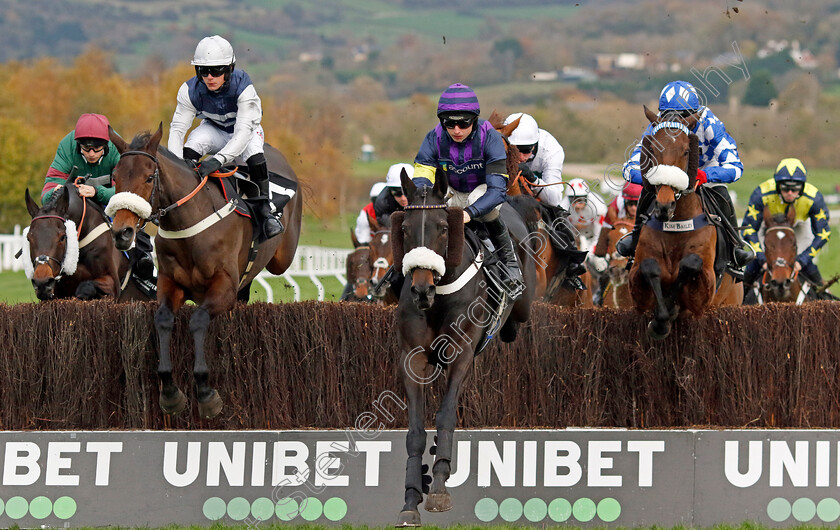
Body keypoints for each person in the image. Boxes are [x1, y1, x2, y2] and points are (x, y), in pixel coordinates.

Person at [617, 80, 754, 270]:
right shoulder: (658, 125)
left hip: (704, 172)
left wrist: (704, 175)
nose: (674, 122)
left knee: (721, 192)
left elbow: (735, 166)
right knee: (647, 191)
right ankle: (636, 235)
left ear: (693, 114)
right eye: (668, 116)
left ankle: (735, 245)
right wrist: (654, 176)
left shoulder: (709, 123)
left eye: (682, 116)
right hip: (667, 175)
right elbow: (630, 167)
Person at [412, 83, 524, 296]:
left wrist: (469, 213)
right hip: (451, 190)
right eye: (450, 124)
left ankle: (509, 263)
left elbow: (497, 190)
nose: (456, 130)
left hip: (482, 190)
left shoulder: (489, 137)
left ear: (474, 119)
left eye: (463, 124)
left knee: (485, 206)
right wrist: (424, 201)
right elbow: (421, 180)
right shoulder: (433, 138)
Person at [168, 35, 283, 238]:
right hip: (213, 128)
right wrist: (176, 166)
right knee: (188, 151)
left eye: (216, 70)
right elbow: (177, 131)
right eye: (204, 71)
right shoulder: (188, 90)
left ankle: (266, 212)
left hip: (245, 131)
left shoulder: (244, 88)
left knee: (255, 157)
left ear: (229, 69)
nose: (210, 77)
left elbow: (241, 135)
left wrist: (217, 160)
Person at [42, 113, 155, 281]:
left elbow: (127, 192)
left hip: (108, 203)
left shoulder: (117, 148)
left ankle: (144, 259)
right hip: (76, 205)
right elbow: (47, 192)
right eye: (86, 149)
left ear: (106, 144)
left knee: (128, 215)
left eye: (97, 149)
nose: (92, 154)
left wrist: (97, 192)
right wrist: (55, 192)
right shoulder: (67, 145)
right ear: (77, 144)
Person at [742, 158, 832, 294]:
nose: (790, 193)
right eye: (785, 188)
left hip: (799, 225)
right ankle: (740, 297)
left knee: (808, 266)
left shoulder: (814, 198)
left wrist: (802, 260)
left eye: (795, 189)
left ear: (802, 188)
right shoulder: (761, 193)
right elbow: (749, 229)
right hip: (767, 226)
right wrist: (761, 258)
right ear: (777, 186)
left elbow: (823, 233)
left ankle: (824, 295)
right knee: (752, 267)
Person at [588, 182, 641, 305]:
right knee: (604, 272)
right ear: (624, 201)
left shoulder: (652, 209)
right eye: (630, 203)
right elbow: (601, 247)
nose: (633, 208)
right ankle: (599, 295)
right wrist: (600, 253)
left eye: (636, 204)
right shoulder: (614, 207)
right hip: (616, 262)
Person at [502, 112, 566, 206]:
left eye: (525, 150)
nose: (520, 157)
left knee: (558, 216)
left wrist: (532, 178)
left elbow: (555, 200)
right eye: (514, 150)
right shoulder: (496, 146)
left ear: (534, 145)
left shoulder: (552, 151)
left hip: (539, 198)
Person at [559, 178, 607, 252]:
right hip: (575, 236)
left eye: (580, 200)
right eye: (573, 200)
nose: (577, 205)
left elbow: (599, 236)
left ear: (587, 198)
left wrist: (590, 252)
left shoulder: (598, 208)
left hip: (593, 235)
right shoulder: (563, 208)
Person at [373, 163, 413, 228]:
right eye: (397, 193)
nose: (403, 198)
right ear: (390, 191)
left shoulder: (424, 199)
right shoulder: (382, 203)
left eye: (406, 193)